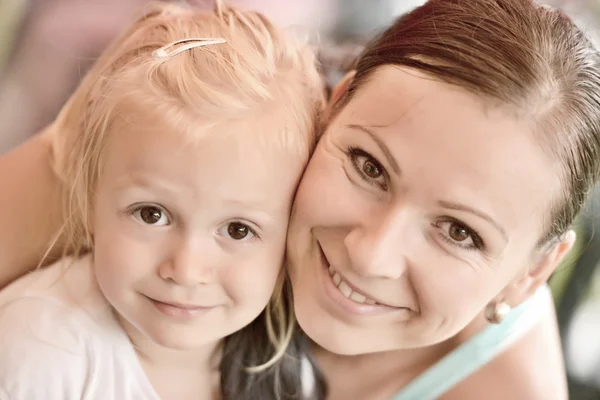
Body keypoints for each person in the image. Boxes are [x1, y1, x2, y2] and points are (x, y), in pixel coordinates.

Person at [2, 0, 600, 399]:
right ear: (333, 105)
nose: (371, 256)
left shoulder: (504, 389)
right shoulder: (191, 145)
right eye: (369, 167)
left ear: (532, 274)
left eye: (459, 232)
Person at [0, 2, 324, 399]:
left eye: (238, 229)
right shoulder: (41, 350)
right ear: (90, 196)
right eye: (151, 214)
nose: (186, 270)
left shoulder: (284, 371)